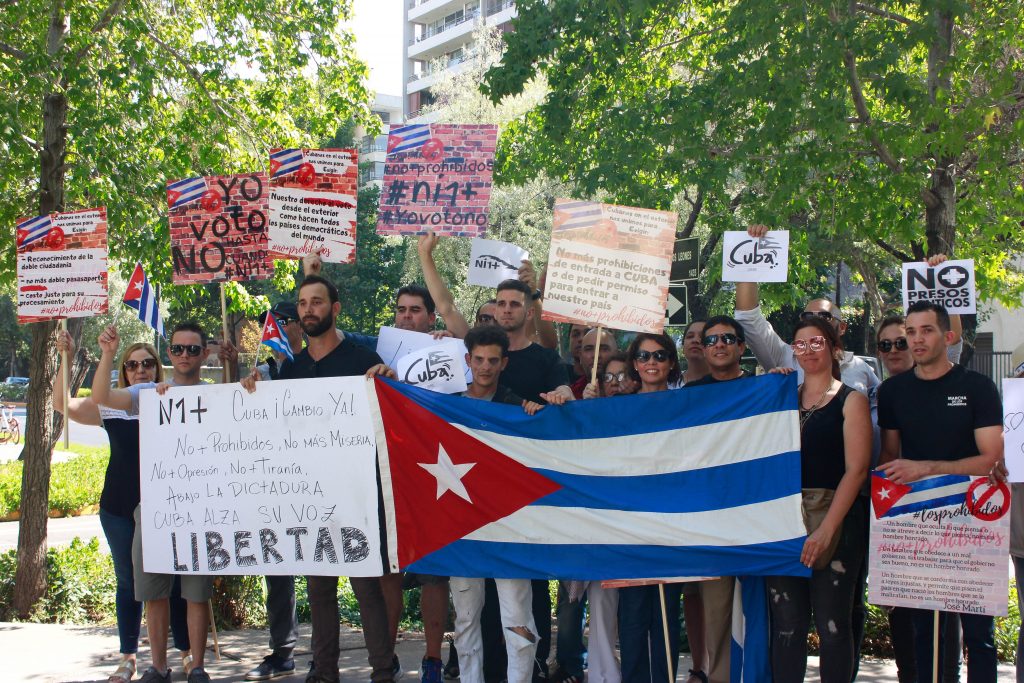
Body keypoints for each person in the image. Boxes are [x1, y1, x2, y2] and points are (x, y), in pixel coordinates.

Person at [241, 274, 396, 683]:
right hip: (308, 496)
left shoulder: (363, 360)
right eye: (303, 303)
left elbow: (391, 416)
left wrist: (388, 380)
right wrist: (253, 393)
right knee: (319, 590)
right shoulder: (290, 370)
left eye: (317, 301)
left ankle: (383, 670)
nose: (309, 309)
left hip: (358, 492)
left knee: (367, 589)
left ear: (335, 308)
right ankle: (324, 671)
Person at [53, 332, 192, 683]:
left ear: (157, 369)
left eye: (148, 363)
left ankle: (186, 653)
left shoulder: (173, 399)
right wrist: (66, 361)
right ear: (124, 372)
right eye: (133, 365)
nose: (141, 369)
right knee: (128, 582)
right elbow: (62, 405)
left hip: (166, 505)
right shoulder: (113, 405)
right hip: (118, 506)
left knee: (173, 582)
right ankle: (128, 656)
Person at [877, 301, 1003, 683]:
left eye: (926, 330)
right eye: (910, 332)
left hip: (976, 520)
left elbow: (991, 461)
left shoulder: (977, 387)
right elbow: (889, 458)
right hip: (920, 521)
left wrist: (928, 468)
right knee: (925, 630)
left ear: (948, 336)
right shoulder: (892, 391)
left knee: (979, 635)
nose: (916, 339)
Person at [91, 322, 216, 683]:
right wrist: (108, 354)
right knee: (153, 590)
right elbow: (102, 398)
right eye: (178, 349)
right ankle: (158, 667)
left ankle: (197, 666)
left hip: (200, 505)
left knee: (195, 592)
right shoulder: (149, 392)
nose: (184, 355)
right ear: (171, 354)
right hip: (155, 505)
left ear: (203, 353)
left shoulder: (216, 394)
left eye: (193, 349)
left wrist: (240, 372)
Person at [765, 317, 871, 683]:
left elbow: (856, 472)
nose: (808, 350)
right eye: (800, 344)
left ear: (834, 348)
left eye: (816, 342)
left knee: (833, 625)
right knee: (787, 626)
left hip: (837, 523)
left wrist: (827, 530)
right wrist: (771, 387)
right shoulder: (780, 398)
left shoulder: (851, 399)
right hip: (785, 523)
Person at [449, 325, 543, 683]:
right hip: (460, 527)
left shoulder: (516, 406)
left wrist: (535, 413)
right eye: (478, 359)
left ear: (504, 363)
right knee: (466, 619)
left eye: (492, 360)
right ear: (468, 360)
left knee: (517, 617)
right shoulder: (447, 402)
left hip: (510, 527)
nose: (485, 367)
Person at [874, 313, 963, 683]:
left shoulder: (955, 382)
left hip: (951, 513)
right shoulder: (882, 390)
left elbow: (951, 338)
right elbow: (887, 458)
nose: (897, 348)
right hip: (895, 510)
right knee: (903, 611)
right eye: (887, 344)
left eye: (903, 340)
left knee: (946, 611)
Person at [682, 315, 755, 683]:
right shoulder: (691, 397)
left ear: (742, 347)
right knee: (717, 618)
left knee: (760, 616)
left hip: (759, 520)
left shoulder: (765, 389)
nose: (720, 344)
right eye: (712, 340)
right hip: (711, 526)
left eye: (728, 338)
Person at [734, 225, 880, 396]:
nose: (815, 321)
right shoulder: (784, 356)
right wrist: (752, 250)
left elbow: (881, 409)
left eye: (825, 316)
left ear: (842, 327)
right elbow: (748, 319)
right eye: (808, 316)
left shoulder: (860, 368)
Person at [616, 333, 683, 683]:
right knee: (632, 618)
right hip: (628, 525)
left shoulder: (687, 404)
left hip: (671, 526)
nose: (651, 362)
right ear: (635, 364)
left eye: (659, 355)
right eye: (643, 356)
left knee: (666, 615)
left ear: (671, 362)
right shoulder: (618, 407)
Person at [569, 328, 617, 398]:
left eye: (604, 349)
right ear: (580, 357)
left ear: (617, 354)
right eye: (588, 349)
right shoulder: (572, 394)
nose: (596, 355)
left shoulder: (630, 390)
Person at [679, 320, 710, 386]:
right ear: (683, 346)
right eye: (690, 336)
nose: (695, 340)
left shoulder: (726, 384)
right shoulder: (668, 384)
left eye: (702, 337)